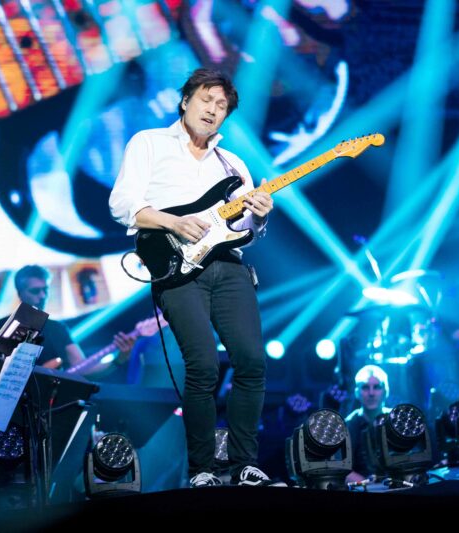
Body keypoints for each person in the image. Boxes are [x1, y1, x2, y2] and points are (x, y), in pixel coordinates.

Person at [109, 68, 280, 487]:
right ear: (186, 101)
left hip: (230, 267)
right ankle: (202, 469)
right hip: (176, 266)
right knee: (202, 365)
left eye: (221, 106)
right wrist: (173, 222)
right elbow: (121, 204)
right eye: (206, 99)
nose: (213, 110)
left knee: (252, 361)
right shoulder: (149, 143)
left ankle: (244, 464)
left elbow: (245, 231)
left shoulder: (233, 164)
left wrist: (260, 217)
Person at [0, 265, 134, 374]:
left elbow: (83, 369)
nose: (42, 296)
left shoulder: (57, 329)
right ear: (20, 293)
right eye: (35, 291)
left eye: (45, 290)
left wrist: (118, 359)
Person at [344, 365, 391, 483]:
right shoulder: (348, 426)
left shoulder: (397, 419)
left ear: (385, 391)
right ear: (356, 392)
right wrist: (369, 486)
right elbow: (339, 468)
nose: (371, 393)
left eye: (377, 387)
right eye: (365, 387)